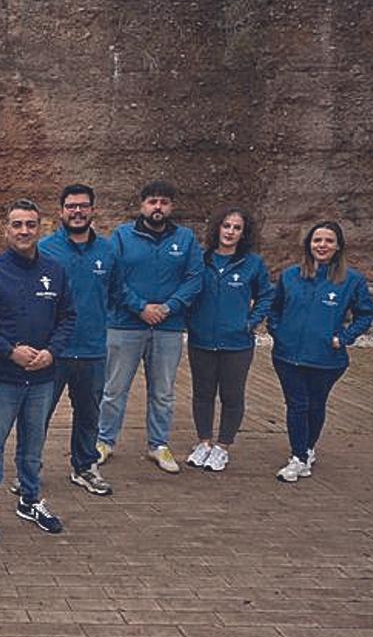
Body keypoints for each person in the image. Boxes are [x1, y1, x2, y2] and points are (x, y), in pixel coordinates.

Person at [0, 199, 76, 541]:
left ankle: (30, 499)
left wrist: (51, 352)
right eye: (17, 224)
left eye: (30, 224)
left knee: (33, 445)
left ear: (40, 228)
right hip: (3, 377)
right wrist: (9, 351)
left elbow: (67, 317)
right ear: (6, 229)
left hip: (42, 377)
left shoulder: (55, 271)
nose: (24, 231)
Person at [97, 181, 202, 473]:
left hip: (168, 327)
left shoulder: (186, 239)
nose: (158, 207)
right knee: (114, 388)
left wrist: (169, 307)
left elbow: (195, 278)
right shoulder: (122, 236)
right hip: (125, 324)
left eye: (164, 202)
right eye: (152, 201)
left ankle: (159, 444)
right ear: (142, 205)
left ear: (171, 207)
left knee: (163, 392)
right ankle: (104, 441)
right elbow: (113, 277)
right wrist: (140, 307)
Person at [268, 221, 373, 483]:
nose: (322, 245)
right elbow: (275, 308)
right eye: (317, 240)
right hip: (287, 356)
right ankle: (298, 457)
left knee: (315, 405)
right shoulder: (290, 276)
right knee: (297, 405)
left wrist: (343, 338)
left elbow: (365, 314)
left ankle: (307, 449)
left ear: (338, 246)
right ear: (309, 244)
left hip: (326, 359)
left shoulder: (352, 280)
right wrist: (278, 332)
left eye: (328, 241)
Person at [37, 184, 115, 495]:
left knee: (89, 415)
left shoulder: (108, 251)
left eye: (83, 206)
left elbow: (117, 292)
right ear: (61, 211)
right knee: (39, 414)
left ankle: (85, 467)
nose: (77, 211)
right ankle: (29, 469)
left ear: (93, 210)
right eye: (71, 206)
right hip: (54, 349)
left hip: (92, 349)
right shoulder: (45, 249)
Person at [184, 208, 275, 472]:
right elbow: (187, 291)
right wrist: (191, 321)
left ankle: (223, 446)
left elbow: (266, 295)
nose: (230, 232)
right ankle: (204, 442)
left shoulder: (252, 263)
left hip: (237, 343)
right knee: (202, 393)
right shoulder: (200, 260)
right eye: (226, 226)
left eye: (237, 228)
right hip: (201, 340)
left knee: (232, 395)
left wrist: (250, 322)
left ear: (244, 234)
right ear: (217, 228)